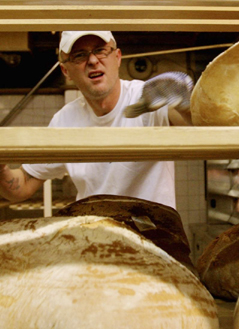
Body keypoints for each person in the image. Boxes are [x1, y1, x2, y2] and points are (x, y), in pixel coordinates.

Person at [0, 31, 194, 209]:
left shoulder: (147, 98)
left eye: (100, 50)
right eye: (79, 55)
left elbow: (199, 126)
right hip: (98, 240)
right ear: (66, 71)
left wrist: (186, 104)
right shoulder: (65, 121)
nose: (93, 60)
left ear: (117, 58)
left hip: (155, 236)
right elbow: (22, 185)